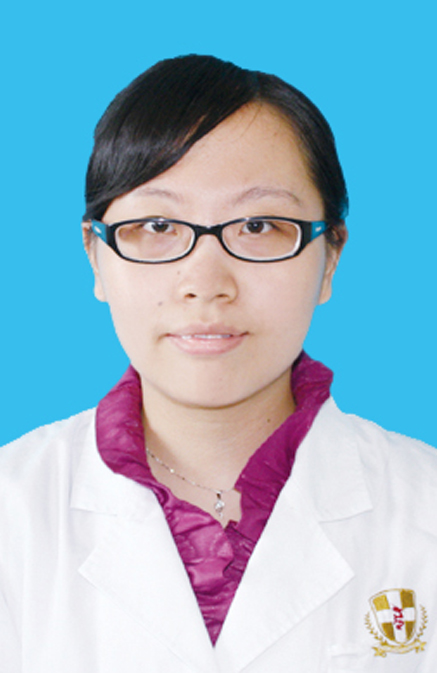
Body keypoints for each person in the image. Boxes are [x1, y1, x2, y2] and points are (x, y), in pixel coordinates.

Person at [1, 54, 437, 672]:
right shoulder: (13, 512)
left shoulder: (425, 508)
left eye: (258, 225)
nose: (205, 283)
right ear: (95, 257)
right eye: (157, 225)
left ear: (330, 258)